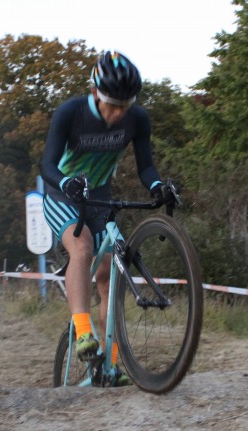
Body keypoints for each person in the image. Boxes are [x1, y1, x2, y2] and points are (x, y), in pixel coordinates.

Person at [40, 51, 171, 385]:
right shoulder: (71, 112)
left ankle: (109, 366)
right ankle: (83, 332)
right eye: (112, 105)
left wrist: (158, 186)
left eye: (124, 107)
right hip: (62, 194)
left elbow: (145, 166)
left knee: (108, 274)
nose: (117, 114)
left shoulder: (137, 119)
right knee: (81, 249)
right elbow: (47, 165)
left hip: (100, 196)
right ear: (96, 91)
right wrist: (67, 182)